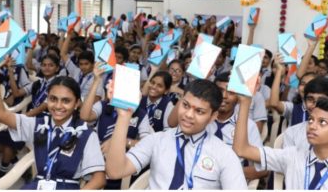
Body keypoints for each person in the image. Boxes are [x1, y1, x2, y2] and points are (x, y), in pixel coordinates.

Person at [0, 56, 107, 189]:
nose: (58, 106)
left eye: (66, 101)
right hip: (37, 186)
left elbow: (99, 179)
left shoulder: (86, 134)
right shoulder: (38, 125)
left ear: (76, 103)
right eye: (53, 99)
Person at [105, 79, 248, 189]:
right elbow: (115, 172)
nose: (189, 115)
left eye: (199, 111)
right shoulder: (157, 140)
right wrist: (124, 116)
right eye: (185, 105)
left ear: (213, 117)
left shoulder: (224, 155)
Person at [233, 96, 328, 189]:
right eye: (311, 120)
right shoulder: (292, 156)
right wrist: (245, 103)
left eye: (322, 122)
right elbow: (242, 149)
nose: (312, 126)